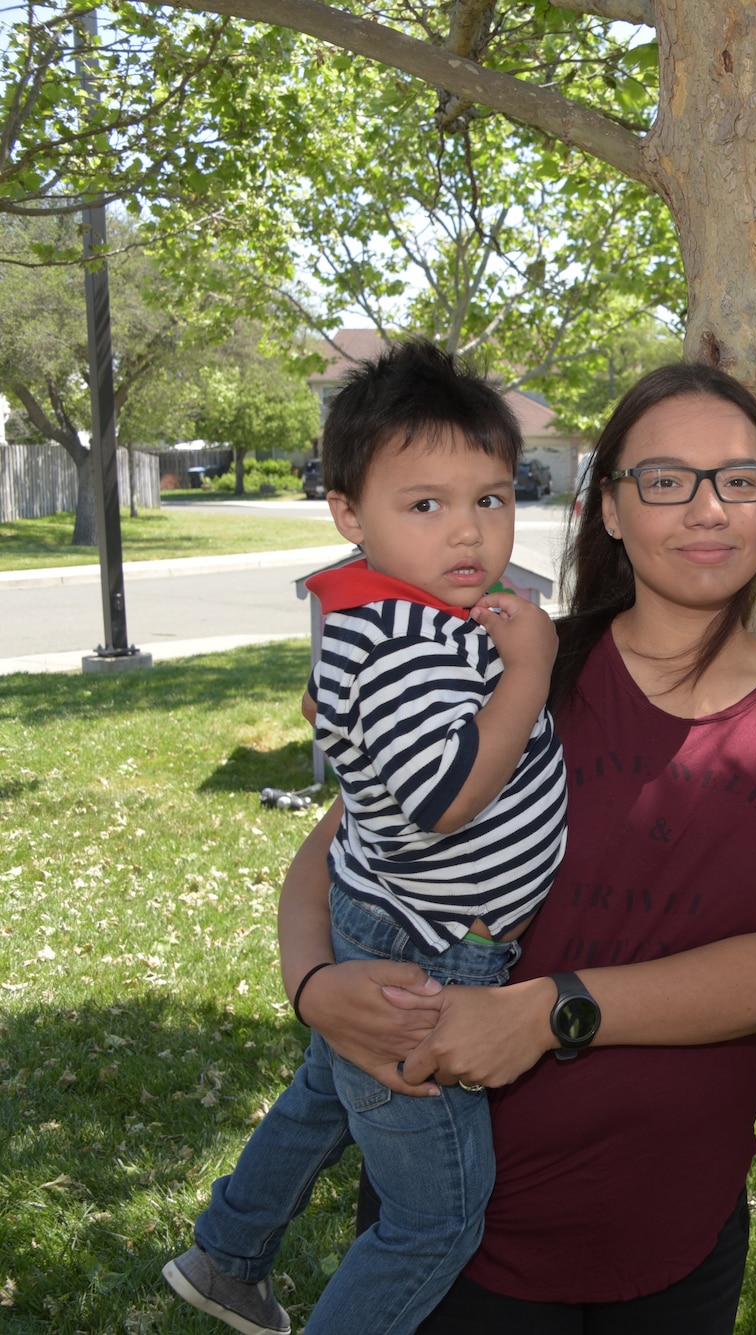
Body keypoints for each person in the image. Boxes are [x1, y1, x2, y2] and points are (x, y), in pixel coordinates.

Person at [273, 362, 756, 1331]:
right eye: (663, 479)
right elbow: (339, 847)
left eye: (738, 479)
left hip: (672, 1237)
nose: (706, 509)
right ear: (608, 508)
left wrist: (548, 1012)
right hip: (454, 1234)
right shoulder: (516, 668)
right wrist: (314, 986)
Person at [165, 341, 567, 1335]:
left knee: (327, 1091)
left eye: (491, 496)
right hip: (421, 951)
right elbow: (445, 798)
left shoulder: (422, 609)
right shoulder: (396, 639)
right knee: (436, 1219)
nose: (469, 529)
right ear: (349, 513)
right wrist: (530, 672)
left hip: (388, 909)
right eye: (423, 504)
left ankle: (228, 1254)